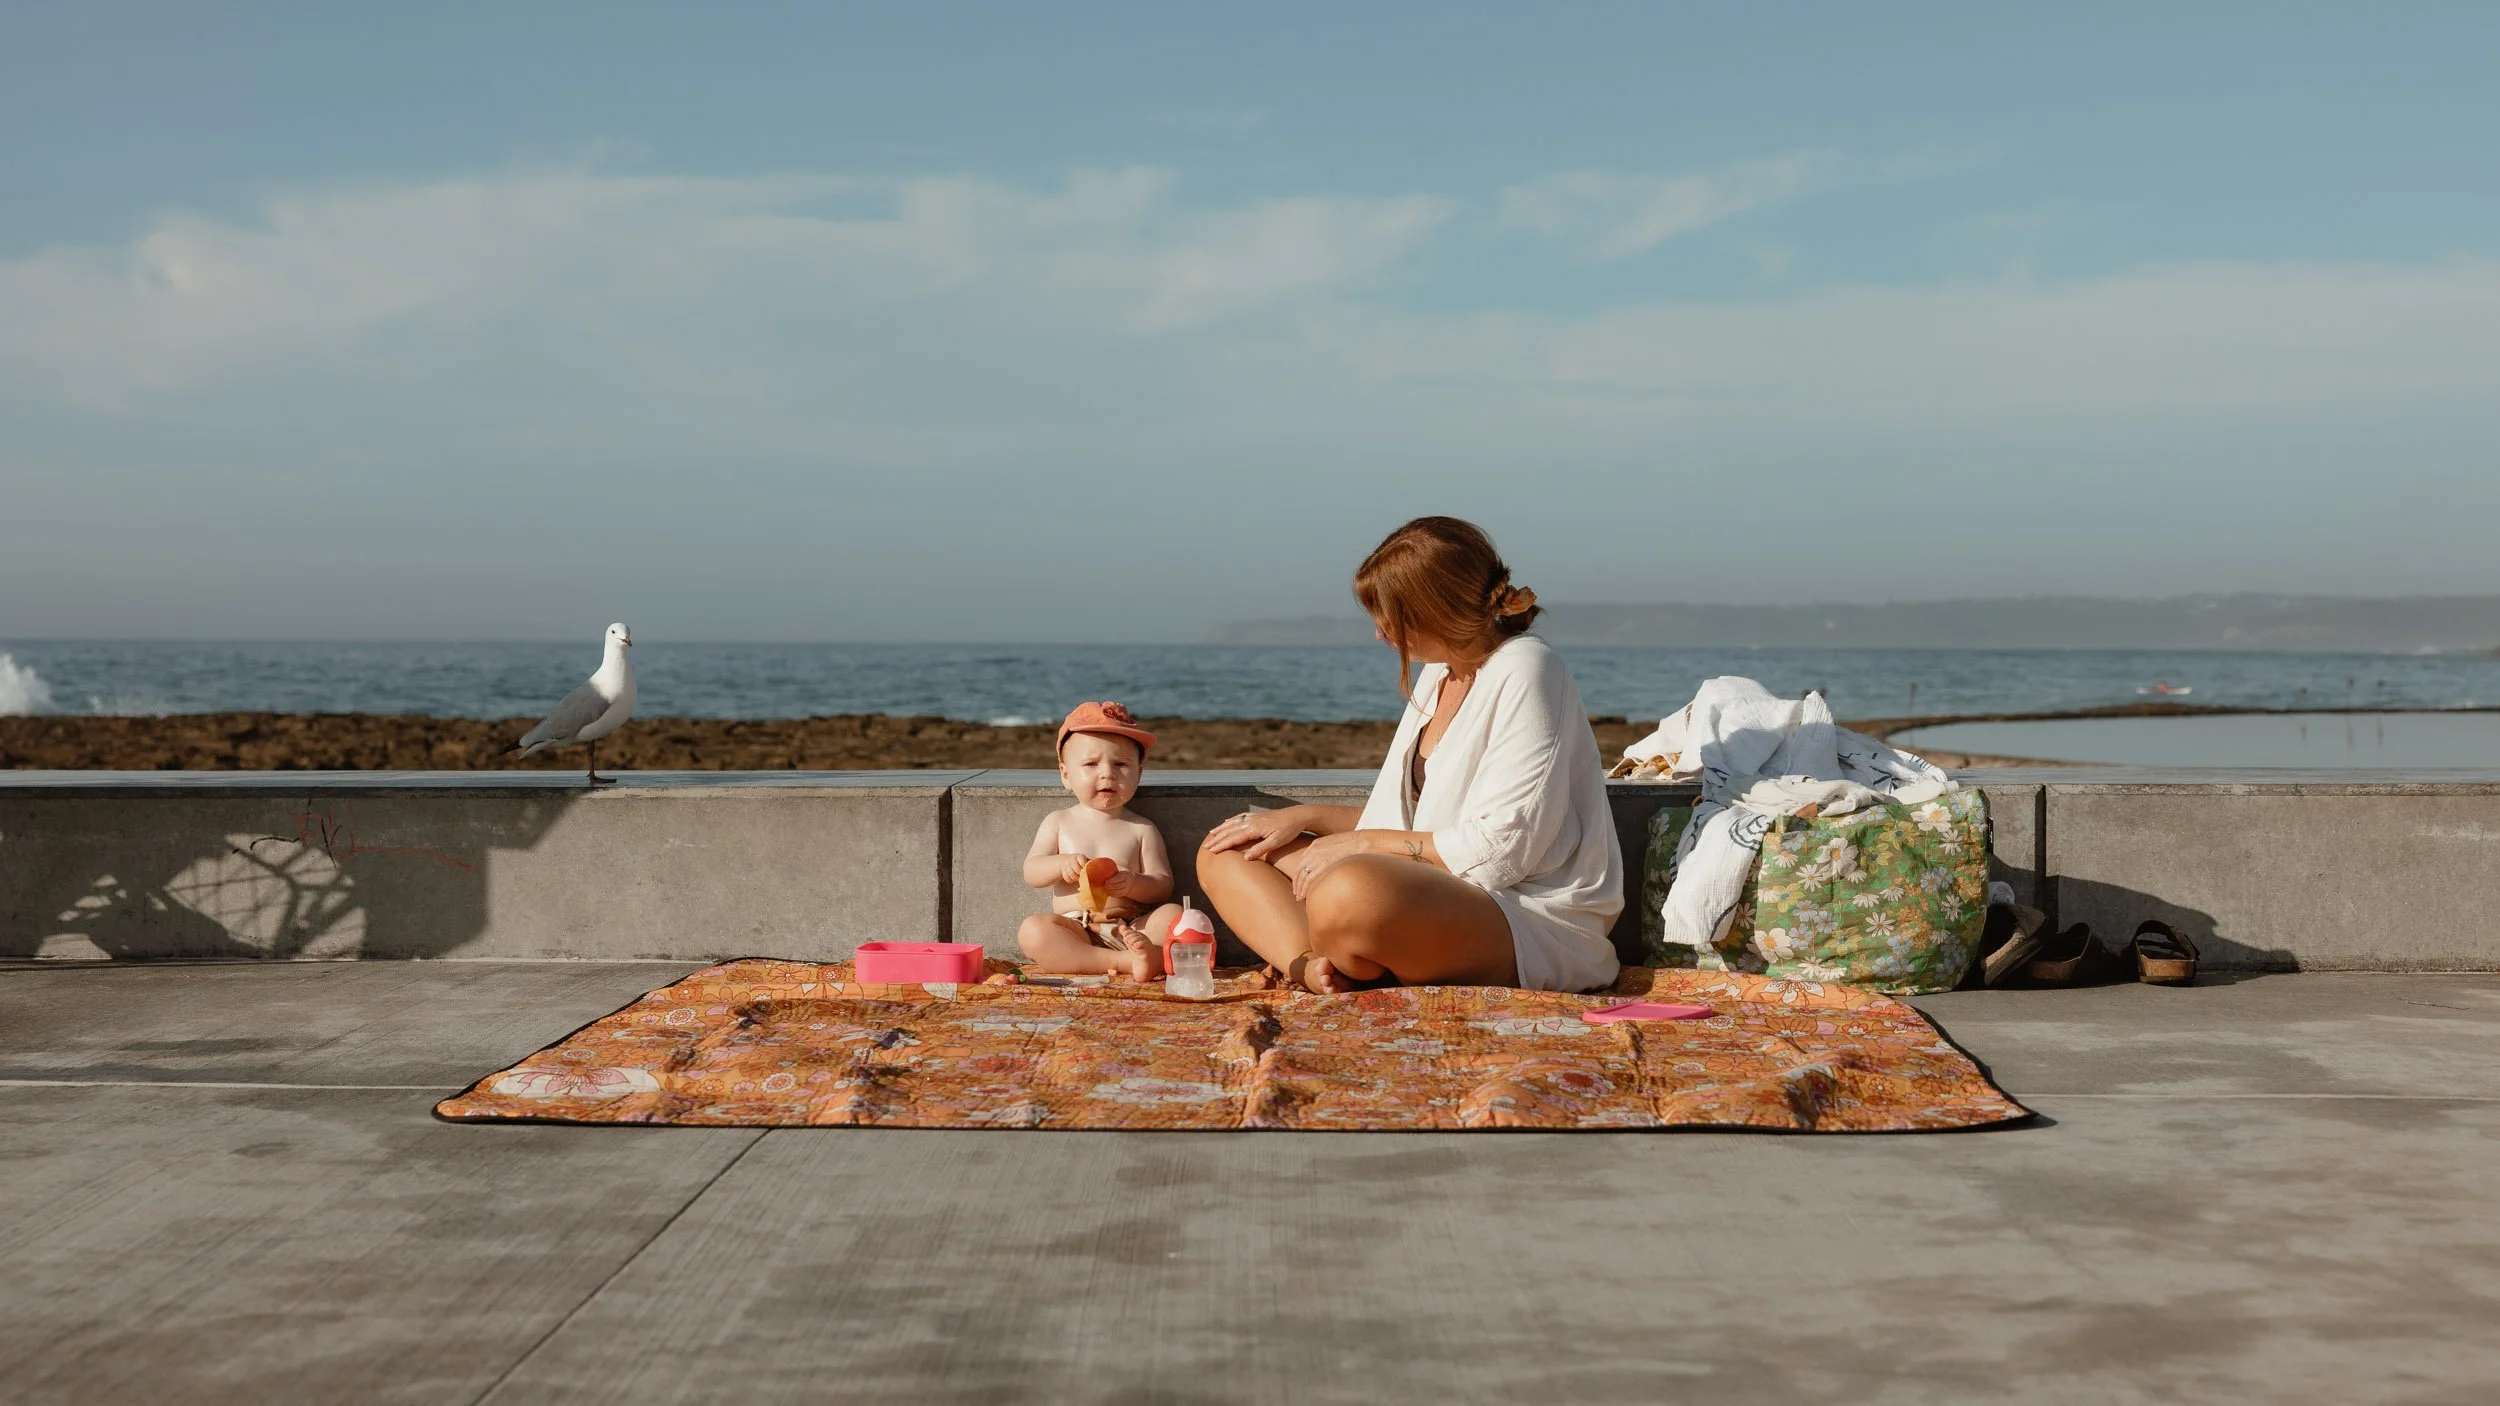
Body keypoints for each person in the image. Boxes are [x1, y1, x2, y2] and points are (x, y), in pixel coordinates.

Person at [1198, 516, 1622, 993]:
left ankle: (1349, 948)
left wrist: (1360, 845)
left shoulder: (1528, 668)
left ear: (1436, 607)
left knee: (1350, 891)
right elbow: (1413, 826)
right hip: (1433, 893)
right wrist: (1306, 816)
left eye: (1392, 615)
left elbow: (1502, 854)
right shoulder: (1439, 675)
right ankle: (1312, 968)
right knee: (1226, 847)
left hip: (1524, 917)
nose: (1380, 634)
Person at [1016, 701, 1184, 981]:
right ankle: (1129, 962)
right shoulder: (1058, 822)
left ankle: (1139, 953)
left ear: (1139, 774)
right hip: (1076, 929)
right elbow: (1031, 871)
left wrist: (1133, 882)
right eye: (1091, 764)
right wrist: (1060, 865)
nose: (1108, 773)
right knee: (1033, 931)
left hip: (1131, 927)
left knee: (1173, 915)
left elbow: (1163, 885)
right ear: (1066, 775)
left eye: (1121, 764)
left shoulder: (1141, 828)